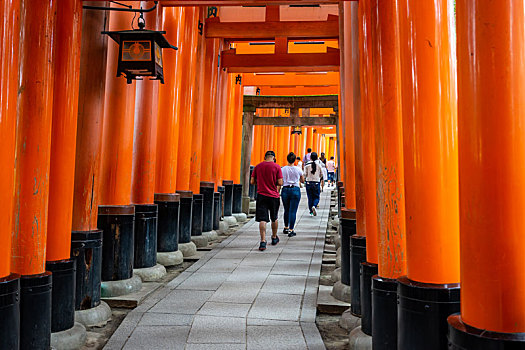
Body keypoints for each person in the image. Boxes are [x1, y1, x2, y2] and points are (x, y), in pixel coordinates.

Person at [251, 150, 283, 251]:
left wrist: (260, 183)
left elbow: (252, 181)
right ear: (273, 157)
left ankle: (263, 241)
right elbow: (280, 182)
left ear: (265, 157)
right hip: (273, 196)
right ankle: (274, 237)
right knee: (274, 217)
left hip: (261, 195)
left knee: (262, 219)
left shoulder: (258, 166)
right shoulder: (277, 167)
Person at [281, 152, 304, 237]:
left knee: (286, 209)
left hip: (285, 189)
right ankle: (291, 230)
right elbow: (302, 180)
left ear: (287, 159)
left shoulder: (283, 169)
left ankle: (286, 227)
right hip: (295, 189)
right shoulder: (298, 169)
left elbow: (280, 180)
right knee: (293, 210)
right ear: (295, 160)